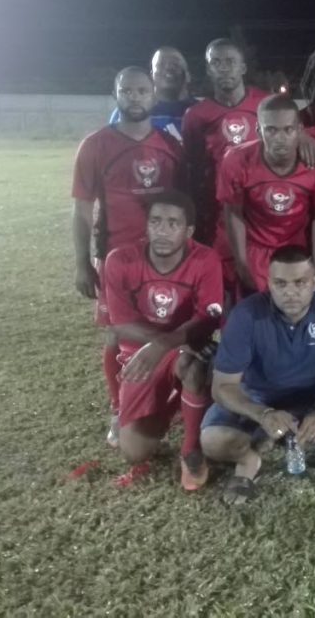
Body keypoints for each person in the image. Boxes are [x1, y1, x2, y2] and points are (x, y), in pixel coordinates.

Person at [201, 246, 315, 504]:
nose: (290, 292)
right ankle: (249, 461)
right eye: (280, 283)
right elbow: (222, 386)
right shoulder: (246, 314)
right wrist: (261, 413)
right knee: (212, 441)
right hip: (261, 394)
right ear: (269, 283)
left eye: (300, 282)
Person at [72, 66, 183, 446]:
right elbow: (83, 209)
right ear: (116, 94)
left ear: (153, 96)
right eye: (127, 90)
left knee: (170, 326)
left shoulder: (170, 145)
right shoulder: (96, 144)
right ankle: (119, 410)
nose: (134, 97)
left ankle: (172, 399)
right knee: (116, 334)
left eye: (141, 90)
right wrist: (81, 262)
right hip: (117, 258)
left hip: (167, 257)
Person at [104, 192, 223, 490]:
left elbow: (208, 318)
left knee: (192, 365)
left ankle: (191, 449)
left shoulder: (205, 259)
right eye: (156, 221)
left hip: (184, 348)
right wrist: (160, 344)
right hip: (141, 354)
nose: (162, 230)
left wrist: (165, 344)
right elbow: (120, 325)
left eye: (173, 223)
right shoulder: (120, 260)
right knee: (135, 452)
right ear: (146, 226)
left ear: (189, 231)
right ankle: (179, 406)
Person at [217, 94, 315, 296]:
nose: (280, 138)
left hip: (296, 251)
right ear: (258, 131)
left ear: (299, 130)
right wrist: (242, 263)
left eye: (288, 130)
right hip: (254, 251)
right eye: (271, 130)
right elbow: (233, 212)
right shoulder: (236, 160)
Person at [181, 39, 270, 247]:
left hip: (263, 206)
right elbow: (193, 165)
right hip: (219, 211)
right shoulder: (196, 115)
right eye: (216, 62)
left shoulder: (265, 104)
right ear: (209, 69)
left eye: (230, 61)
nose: (223, 68)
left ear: (243, 68)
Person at [108, 47, 195, 140]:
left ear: (188, 75)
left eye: (175, 64)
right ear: (151, 75)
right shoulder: (130, 111)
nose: (168, 68)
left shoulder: (203, 113)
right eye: (161, 65)